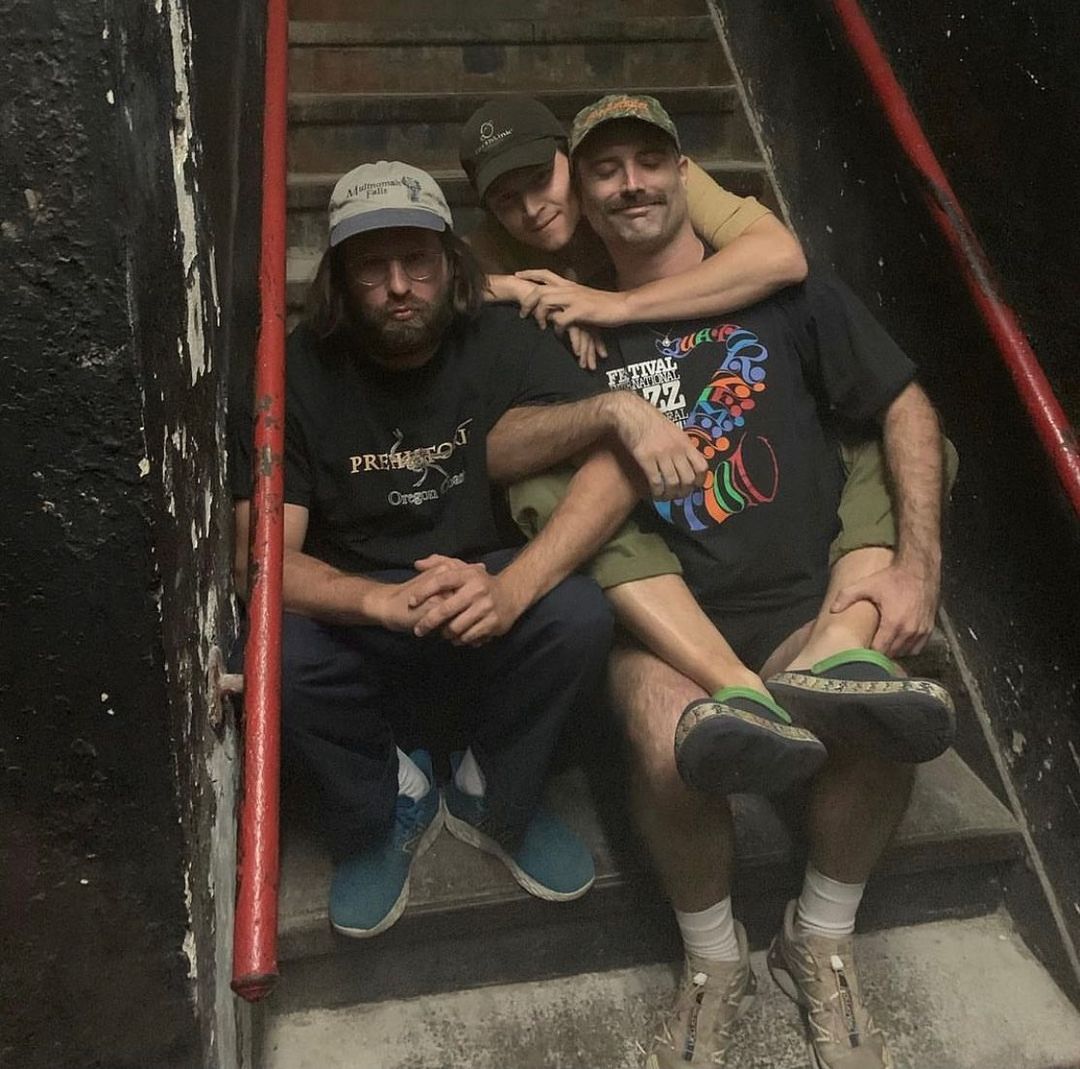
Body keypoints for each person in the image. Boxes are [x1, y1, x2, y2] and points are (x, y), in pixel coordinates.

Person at [229, 159, 723, 938]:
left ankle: (488, 792)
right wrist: (377, 600)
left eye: (417, 261)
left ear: (452, 263)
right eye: (372, 266)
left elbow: (612, 468)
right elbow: (261, 562)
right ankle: (387, 801)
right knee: (273, 649)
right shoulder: (294, 371)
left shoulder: (502, 339)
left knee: (578, 610)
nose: (399, 286)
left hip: (482, 586)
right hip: (362, 604)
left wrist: (512, 586)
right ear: (340, 279)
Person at [563, 94, 956, 1069]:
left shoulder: (783, 293)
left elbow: (905, 405)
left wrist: (916, 567)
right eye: (605, 169)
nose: (631, 184)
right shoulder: (572, 327)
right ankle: (713, 957)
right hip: (665, 621)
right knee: (668, 735)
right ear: (580, 195)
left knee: (882, 716)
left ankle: (816, 937)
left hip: (800, 606)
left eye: (648, 161)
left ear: (683, 173)